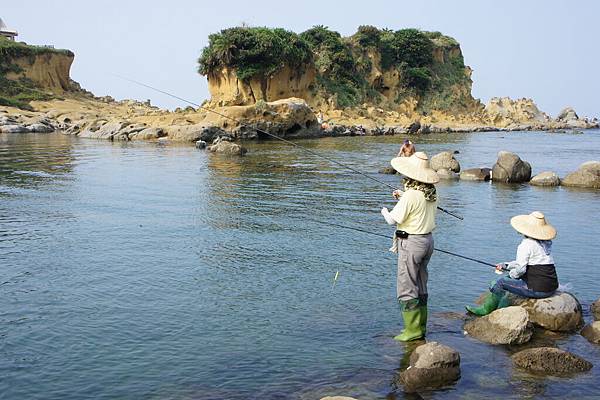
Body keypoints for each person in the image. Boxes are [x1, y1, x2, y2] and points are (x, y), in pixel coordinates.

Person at [381, 152, 439, 341]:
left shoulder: (411, 195)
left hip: (411, 243)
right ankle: (421, 327)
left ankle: (411, 330)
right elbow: (416, 207)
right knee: (421, 282)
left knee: (406, 285)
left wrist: (383, 210)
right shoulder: (430, 194)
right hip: (427, 242)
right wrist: (402, 196)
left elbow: (391, 220)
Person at [466, 211, 559, 316]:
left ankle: (488, 310)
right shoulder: (544, 244)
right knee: (508, 280)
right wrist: (506, 265)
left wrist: (510, 275)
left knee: (500, 283)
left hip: (539, 290)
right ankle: (500, 306)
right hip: (551, 288)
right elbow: (527, 263)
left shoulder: (526, 245)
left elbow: (521, 270)